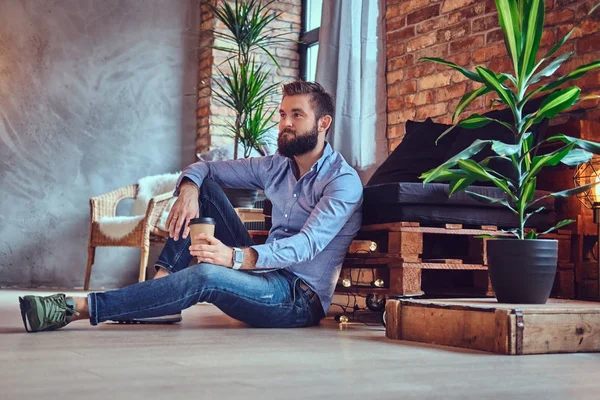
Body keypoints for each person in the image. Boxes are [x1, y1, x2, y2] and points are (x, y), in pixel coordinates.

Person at [18, 81, 363, 333]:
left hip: (297, 298)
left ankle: (79, 307)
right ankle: (159, 291)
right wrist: (187, 191)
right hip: (264, 274)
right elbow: (204, 168)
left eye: (297, 115)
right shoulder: (276, 165)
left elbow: (308, 245)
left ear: (323, 123)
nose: (285, 123)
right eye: (282, 114)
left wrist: (236, 257)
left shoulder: (342, 181)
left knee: (206, 275)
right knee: (206, 190)